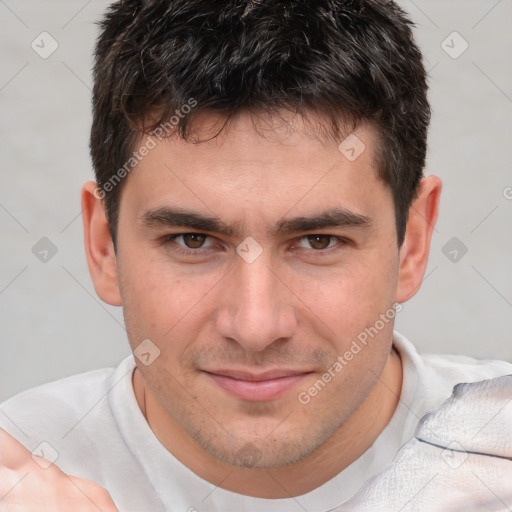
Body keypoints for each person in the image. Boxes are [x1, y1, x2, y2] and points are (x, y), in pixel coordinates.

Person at [0, 0, 511, 510]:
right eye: (192, 240)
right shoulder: (21, 462)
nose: (255, 326)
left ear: (413, 242)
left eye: (319, 241)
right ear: (103, 245)